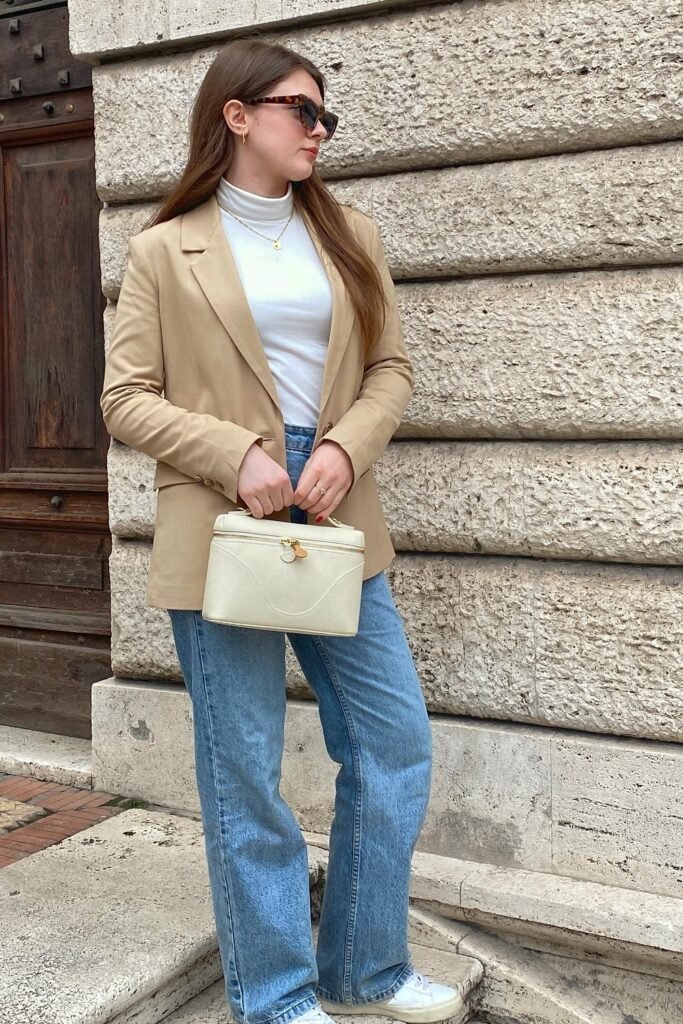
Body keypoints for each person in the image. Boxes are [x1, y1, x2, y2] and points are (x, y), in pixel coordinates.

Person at [100, 37, 462, 1024]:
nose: (319, 131)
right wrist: (234, 453)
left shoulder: (350, 233)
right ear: (236, 115)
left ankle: (365, 965)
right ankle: (274, 992)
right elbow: (125, 398)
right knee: (244, 767)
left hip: (339, 508)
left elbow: (388, 368)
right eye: (303, 111)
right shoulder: (162, 250)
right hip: (224, 518)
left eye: (324, 117)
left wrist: (345, 444)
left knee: (392, 742)